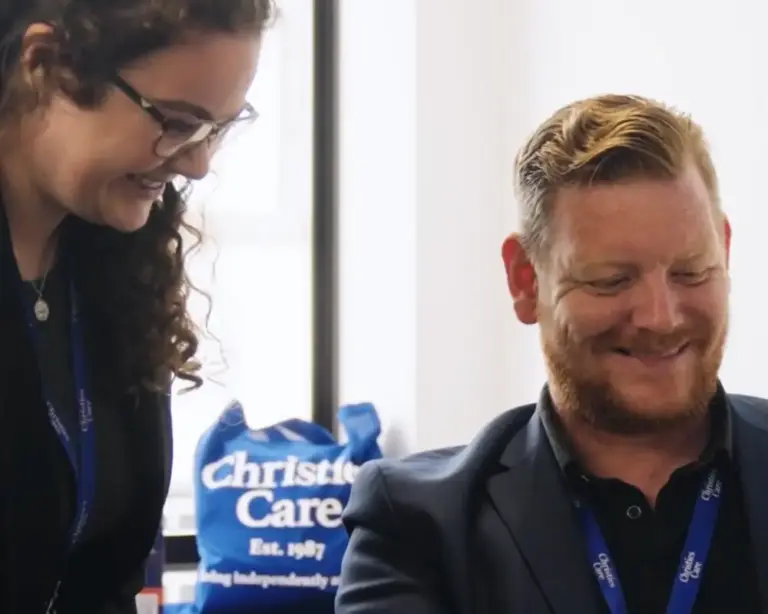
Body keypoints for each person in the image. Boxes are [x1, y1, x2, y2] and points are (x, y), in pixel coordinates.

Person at [335, 94, 768, 614]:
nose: (661, 317)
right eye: (611, 280)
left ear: (725, 250)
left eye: (691, 272)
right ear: (525, 280)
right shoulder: (416, 524)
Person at [0, 0, 273, 611]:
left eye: (217, 129)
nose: (198, 163)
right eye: (176, 122)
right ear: (44, 65)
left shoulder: (116, 265)